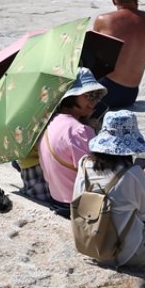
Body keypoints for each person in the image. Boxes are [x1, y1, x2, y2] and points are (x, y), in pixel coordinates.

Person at [73, 110, 145, 279]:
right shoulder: (132, 173)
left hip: (89, 241)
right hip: (122, 250)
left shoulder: (83, 163)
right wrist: (143, 182)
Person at [39, 68, 106, 204]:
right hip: (79, 205)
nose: (94, 101)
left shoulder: (50, 122)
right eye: (89, 95)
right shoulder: (79, 131)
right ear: (72, 95)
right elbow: (97, 176)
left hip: (57, 198)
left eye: (97, 95)